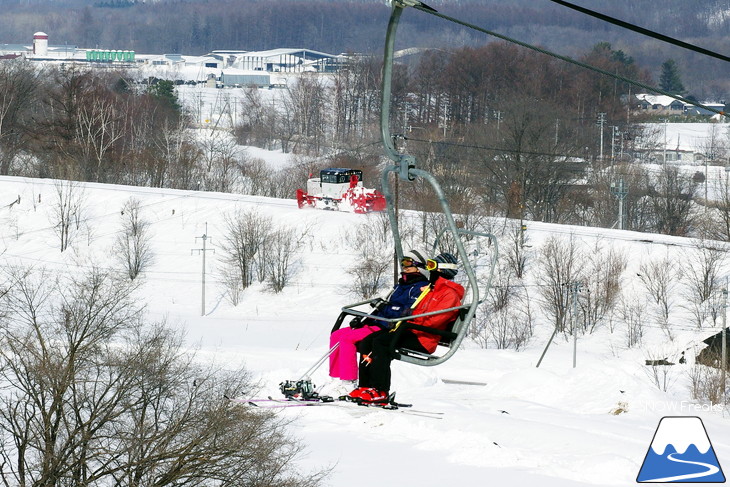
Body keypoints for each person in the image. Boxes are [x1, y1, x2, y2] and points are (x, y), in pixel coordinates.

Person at [351, 252, 465, 403]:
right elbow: (415, 311)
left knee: (382, 343)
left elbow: (434, 321)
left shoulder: (449, 295)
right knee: (368, 341)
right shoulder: (431, 290)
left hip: (424, 338)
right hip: (410, 330)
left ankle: (381, 390)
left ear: (442, 270)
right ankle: (364, 386)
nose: (428, 270)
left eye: (431, 266)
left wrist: (409, 320)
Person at [327, 249, 431, 392]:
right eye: (403, 263)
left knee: (347, 338)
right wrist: (364, 319)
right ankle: (335, 379)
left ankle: (348, 382)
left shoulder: (420, 288)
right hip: (377, 321)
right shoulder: (401, 285)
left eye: (408, 263)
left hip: (388, 326)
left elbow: (406, 311)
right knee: (336, 335)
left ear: (419, 267)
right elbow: (385, 307)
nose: (404, 267)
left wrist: (385, 308)